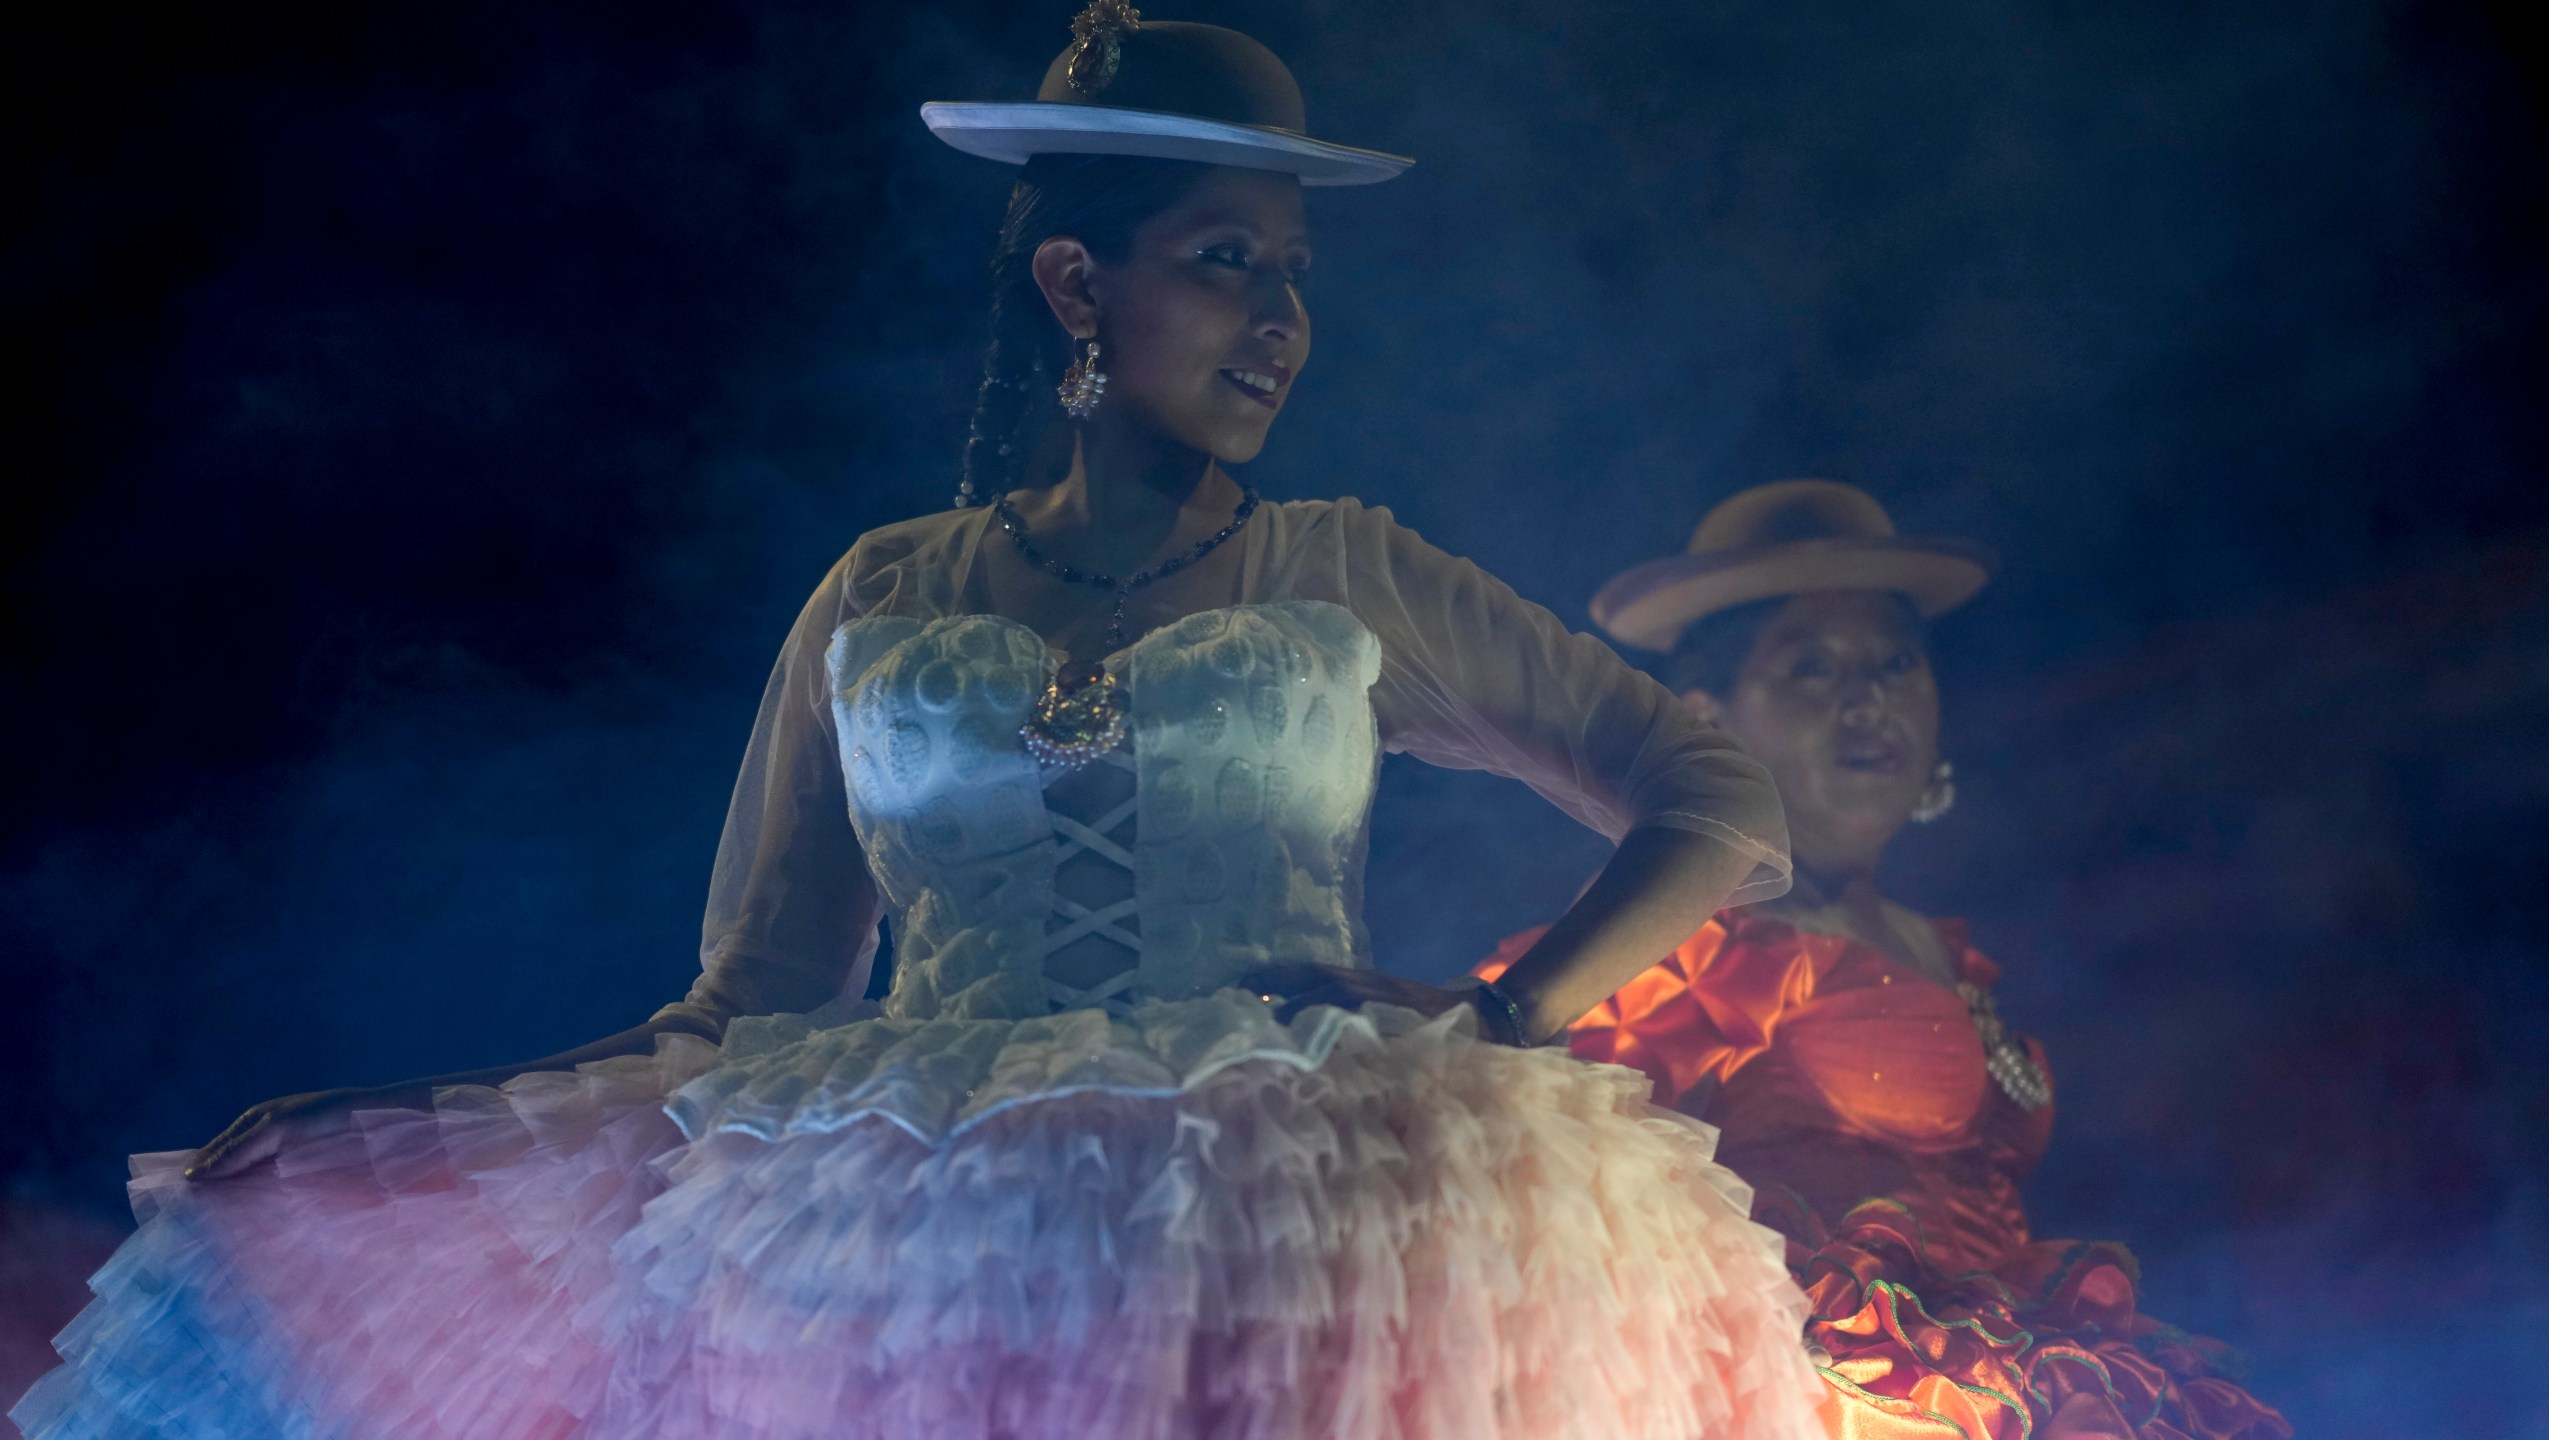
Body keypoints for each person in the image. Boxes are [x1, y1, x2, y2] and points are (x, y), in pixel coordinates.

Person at [15, 12, 1826, 1439]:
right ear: (1074, 290)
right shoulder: (885, 593)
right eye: (1225, 261)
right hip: (906, 1264)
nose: (1282, 321)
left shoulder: (1345, 570)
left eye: (1292, 274)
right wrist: (384, 1136)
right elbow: (748, 1004)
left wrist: (1508, 1009)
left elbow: (1714, 792)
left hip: (1291, 1239)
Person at [1480, 480, 2292, 1440]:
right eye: (1813, 668)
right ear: (1712, 718)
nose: (1868, 701)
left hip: (2018, 1384)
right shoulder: (1683, 942)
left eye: (1895, 664)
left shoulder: (1947, 950)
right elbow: (1535, 1158)